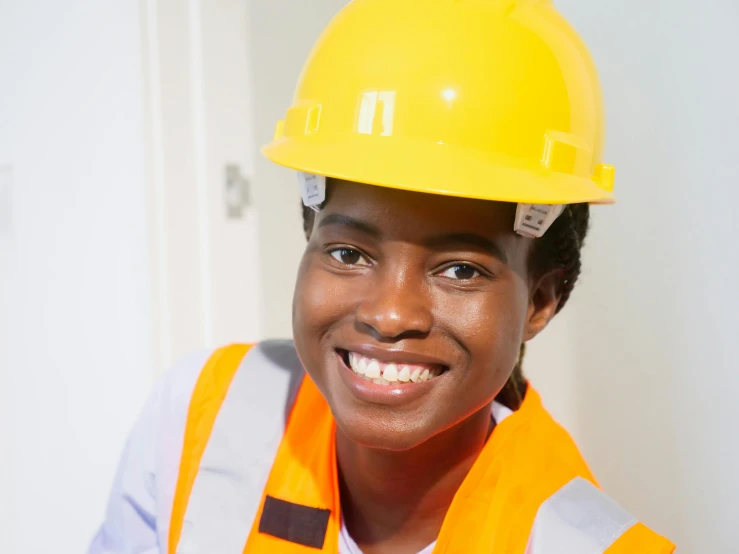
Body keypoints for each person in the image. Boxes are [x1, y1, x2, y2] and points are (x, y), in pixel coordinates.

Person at [89, 0, 675, 552]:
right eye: (348, 254)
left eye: (460, 269)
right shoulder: (202, 416)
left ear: (540, 301)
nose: (389, 314)